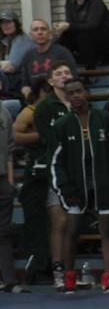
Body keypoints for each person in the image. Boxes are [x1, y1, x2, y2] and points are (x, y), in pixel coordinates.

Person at [50, 78, 109, 293]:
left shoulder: (103, 118)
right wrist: (65, 189)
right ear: (67, 96)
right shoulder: (62, 125)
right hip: (75, 186)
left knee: (107, 231)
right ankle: (69, 275)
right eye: (71, 93)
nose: (76, 96)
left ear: (86, 92)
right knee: (72, 231)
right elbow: (55, 162)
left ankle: (108, 277)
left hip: (103, 183)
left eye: (79, 91)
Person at [30, 61, 75, 292]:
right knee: (59, 221)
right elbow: (49, 140)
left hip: (78, 169)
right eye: (59, 74)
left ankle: (70, 272)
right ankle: (58, 269)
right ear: (51, 80)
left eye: (67, 72)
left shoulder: (78, 102)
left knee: (74, 222)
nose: (64, 76)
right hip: (56, 170)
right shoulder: (46, 107)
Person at [12, 79, 52, 283]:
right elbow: (15, 135)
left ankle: (48, 265)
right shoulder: (30, 111)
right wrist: (40, 136)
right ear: (39, 93)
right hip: (36, 171)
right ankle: (35, 268)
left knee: (52, 222)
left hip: (52, 169)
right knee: (37, 221)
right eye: (47, 92)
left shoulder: (56, 109)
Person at [0, 103, 25, 292]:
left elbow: (9, 148)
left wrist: (9, 180)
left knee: (4, 231)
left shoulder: (4, 111)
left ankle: (9, 279)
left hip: (1, 179)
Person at [19, 19, 77, 101]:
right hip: (36, 100)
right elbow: (24, 84)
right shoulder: (27, 56)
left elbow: (73, 77)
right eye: (35, 30)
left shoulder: (63, 52)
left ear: (50, 34)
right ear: (31, 35)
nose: (40, 32)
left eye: (43, 29)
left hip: (60, 98)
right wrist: (30, 96)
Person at [0, 10, 36, 108]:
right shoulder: (6, 40)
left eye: (8, 22)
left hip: (20, 85)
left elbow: (10, 67)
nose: (5, 25)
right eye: (2, 23)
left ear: (16, 23)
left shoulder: (23, 41)